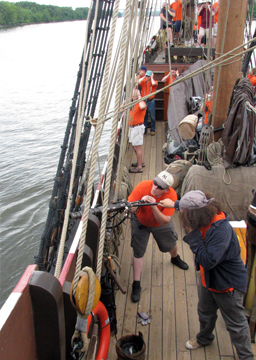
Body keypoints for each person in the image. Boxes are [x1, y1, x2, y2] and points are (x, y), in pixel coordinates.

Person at [160, 191, 254, 360]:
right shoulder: (204, 214)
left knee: (236, 325)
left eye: (183, 214)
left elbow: (208, 260)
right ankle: (205, 338)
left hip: (227, 285)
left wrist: (192, 233)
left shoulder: (221, 231)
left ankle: (246, 356)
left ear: (194, 216)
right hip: (209, 279)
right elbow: (190, 205)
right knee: (205, 311)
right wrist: (173, 204)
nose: (181, 215)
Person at [128, 171, 189, 303]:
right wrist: (139, 203)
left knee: (171, 243)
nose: (154, 187)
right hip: (140, 221)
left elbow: (164, 221)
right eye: (155, 183)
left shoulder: (171, 196)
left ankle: (175, 258)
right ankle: (136, 283)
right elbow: (130, 209)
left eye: (159, 187)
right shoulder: (143, 186)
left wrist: (153, 206)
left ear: (166, 190)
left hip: (159, 222)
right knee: (138, 251)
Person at [128, 88, 147, 174]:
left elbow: (143, 106)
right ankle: (140, 162)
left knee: (137, 147)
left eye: (135, 95)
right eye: (133, 95)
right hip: (132, 128)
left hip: (137, 128)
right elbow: (121, 110)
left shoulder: (141, 103)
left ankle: (139, 167)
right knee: (134, 145)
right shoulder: (132, 104)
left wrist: (139, 98)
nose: (133, 96)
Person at [139, 70, 158, 136]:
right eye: (146, 75)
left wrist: (152, 77)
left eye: (148, 76)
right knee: (144, 116)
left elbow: (154, 84)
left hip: (150, 101)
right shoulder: (144, 81)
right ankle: (145, 129)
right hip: (144, 101)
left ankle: (153, 129)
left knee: (152, 116)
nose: (147, 77)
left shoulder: (155, 82)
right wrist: (143, 76)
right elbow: (137, 82)